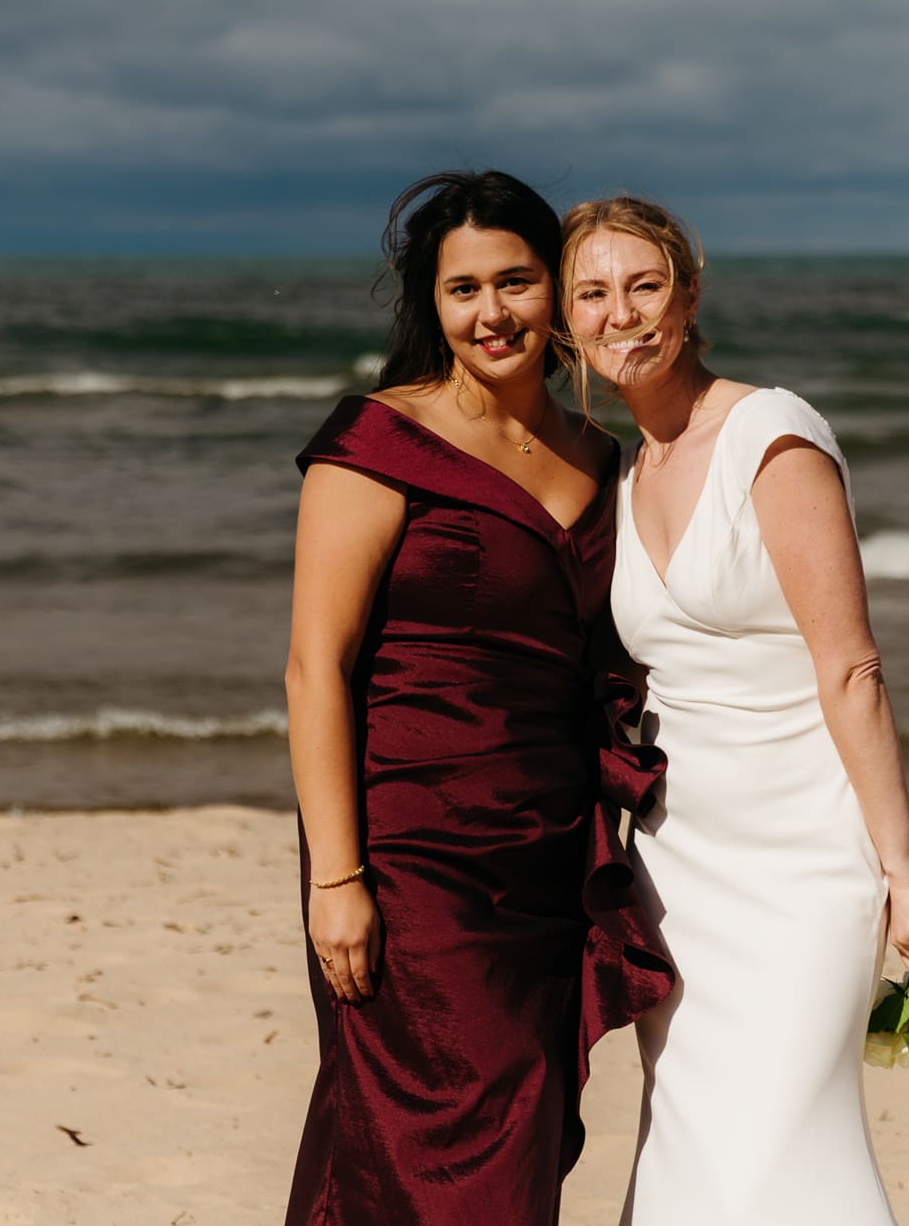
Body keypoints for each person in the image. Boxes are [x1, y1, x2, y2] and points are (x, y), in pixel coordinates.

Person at [283, 171, 673, 1225]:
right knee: (428, 1143)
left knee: (524, 1130)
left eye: (515, 282)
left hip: (549, 852)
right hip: (410, 854)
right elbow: (314, 668)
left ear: (554, 290)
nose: (491, 313)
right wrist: (337, 878)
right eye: (463, 290)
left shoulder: (599, 453)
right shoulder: (377, 444)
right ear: (431, 304)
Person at [560, 196, 909, 1225]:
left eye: (644, 285)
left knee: (786, 1132)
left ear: (688, 295)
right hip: (679, 858)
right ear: (566, 323)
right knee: (691, 1125)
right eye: (593, 294)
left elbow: (851, 669)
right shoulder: (621, 466)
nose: (623, 314)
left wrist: (899, 868)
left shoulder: (771, 437)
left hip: (800, 860)